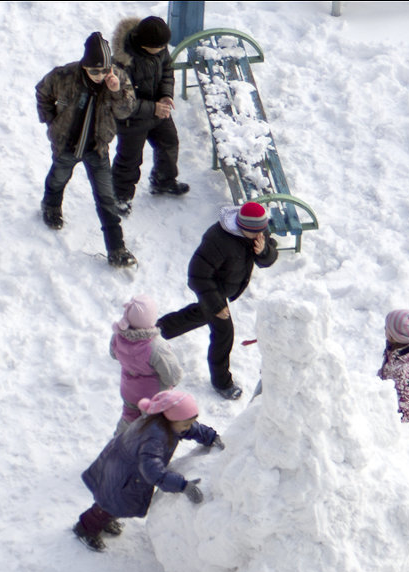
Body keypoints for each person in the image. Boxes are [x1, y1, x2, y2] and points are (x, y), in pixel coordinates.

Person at [35, 32, 138, 267]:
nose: (100, 76)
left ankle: (116, 249)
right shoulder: (64, 75)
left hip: (97, 148)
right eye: (95, 71)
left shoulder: (119, 79)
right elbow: (42, 91)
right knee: (59, 177)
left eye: (104, 71)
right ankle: (51, 205)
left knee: (106, 199)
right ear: (84, 66)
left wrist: (115, 91)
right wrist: (50, 119)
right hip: (67, 145)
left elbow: (126, 111)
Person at [74, 390, 223, 551]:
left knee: (115, 504)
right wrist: (182, 485)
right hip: (124, 476)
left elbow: (192, 429)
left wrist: (211, 437)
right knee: (109, 503)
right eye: (185, 424)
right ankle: (85, 529)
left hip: (126, 468)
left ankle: (105, 519)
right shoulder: (154, 437)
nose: (188, 427)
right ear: (171, 419)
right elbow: (153, 471)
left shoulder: (167, 422)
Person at [157, 202, 278, 400]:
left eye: (262, 232)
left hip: (223, 289)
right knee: (224, 333)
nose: (260, 236)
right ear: (243, 228)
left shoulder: (257, 230)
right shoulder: (218, 240)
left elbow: (269, 257)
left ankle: (158, 331)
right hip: (213, 289)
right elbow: (197, 275)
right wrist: (216, 304)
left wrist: (264, 250)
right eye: (256, 233)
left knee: (200, 314)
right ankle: (222, 382)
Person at [111, 15, 189, 216]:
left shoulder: (160, 48)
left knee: (169, 143)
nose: (164, 49)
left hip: (158, 111)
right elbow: (121, 103)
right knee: (129, 159)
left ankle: (163, 181)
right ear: (144, 44)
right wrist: (152, 108)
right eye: (159, 47)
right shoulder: (122, 63)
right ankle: (120, 197)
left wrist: (165, 95)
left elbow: (167, 71)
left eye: (165, 46)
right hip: (132, 118)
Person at [110, 295, 183, 435]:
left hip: (128, 390)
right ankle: (144, 446)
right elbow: (173, 376)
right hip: (152, 396)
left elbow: (113, 354)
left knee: (128, 417)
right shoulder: (156, 346)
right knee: (151, 424)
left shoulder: (118, 336)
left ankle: (118, 440)